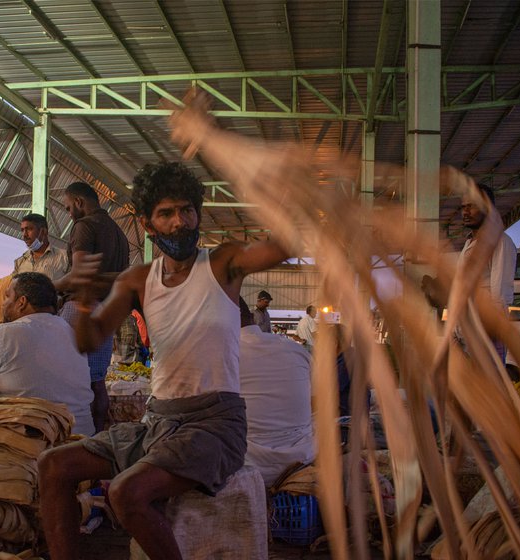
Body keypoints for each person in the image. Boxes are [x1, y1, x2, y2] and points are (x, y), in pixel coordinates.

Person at [37, 162, 288, 560]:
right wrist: (83, 298)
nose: (179, 222)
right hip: (157, 422)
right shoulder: (138, 280)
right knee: (52, 466)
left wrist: (276, 189)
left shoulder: (223, 264)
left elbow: (282, 247)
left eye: (187, 210)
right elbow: (89, 340)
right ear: (147, 223)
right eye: (166, 213)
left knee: (126, 492)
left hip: (216, 425)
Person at [0, 272, 95, 436]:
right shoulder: (72, 334)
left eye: (7, 297)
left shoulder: (4, 334)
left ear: (21, 302)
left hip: (31, 447)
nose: (3, 304)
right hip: (81, 438)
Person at [57, 181, 130, 432]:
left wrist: (50, 286)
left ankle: (71, 435)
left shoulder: (84, 226)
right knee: (96, 381)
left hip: (81, 308)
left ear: (79, 202)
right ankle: (97, 434)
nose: (69, 213)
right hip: (108, 311)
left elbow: (78, 275)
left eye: (68, 208)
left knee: (68, 378)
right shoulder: (119, 234)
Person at [238, 298, 315, 488]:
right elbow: (317, 403)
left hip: (246, 468)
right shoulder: (296, 350)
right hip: (302, 461)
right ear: (251, 319)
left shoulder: (220, 355)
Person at [460, 183, 516, 361]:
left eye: (471, 206)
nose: (465, 212)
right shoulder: (469, 243)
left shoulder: (500, 241)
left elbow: (500, 289)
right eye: (463, 207)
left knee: (492, 384)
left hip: (488, 329)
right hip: (469, 328)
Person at [13, 213, 70, 282]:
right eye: (22, 230)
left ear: (43, 231)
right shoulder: (20, 262)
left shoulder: (65, 257)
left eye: (29, 229)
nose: (24, 235)